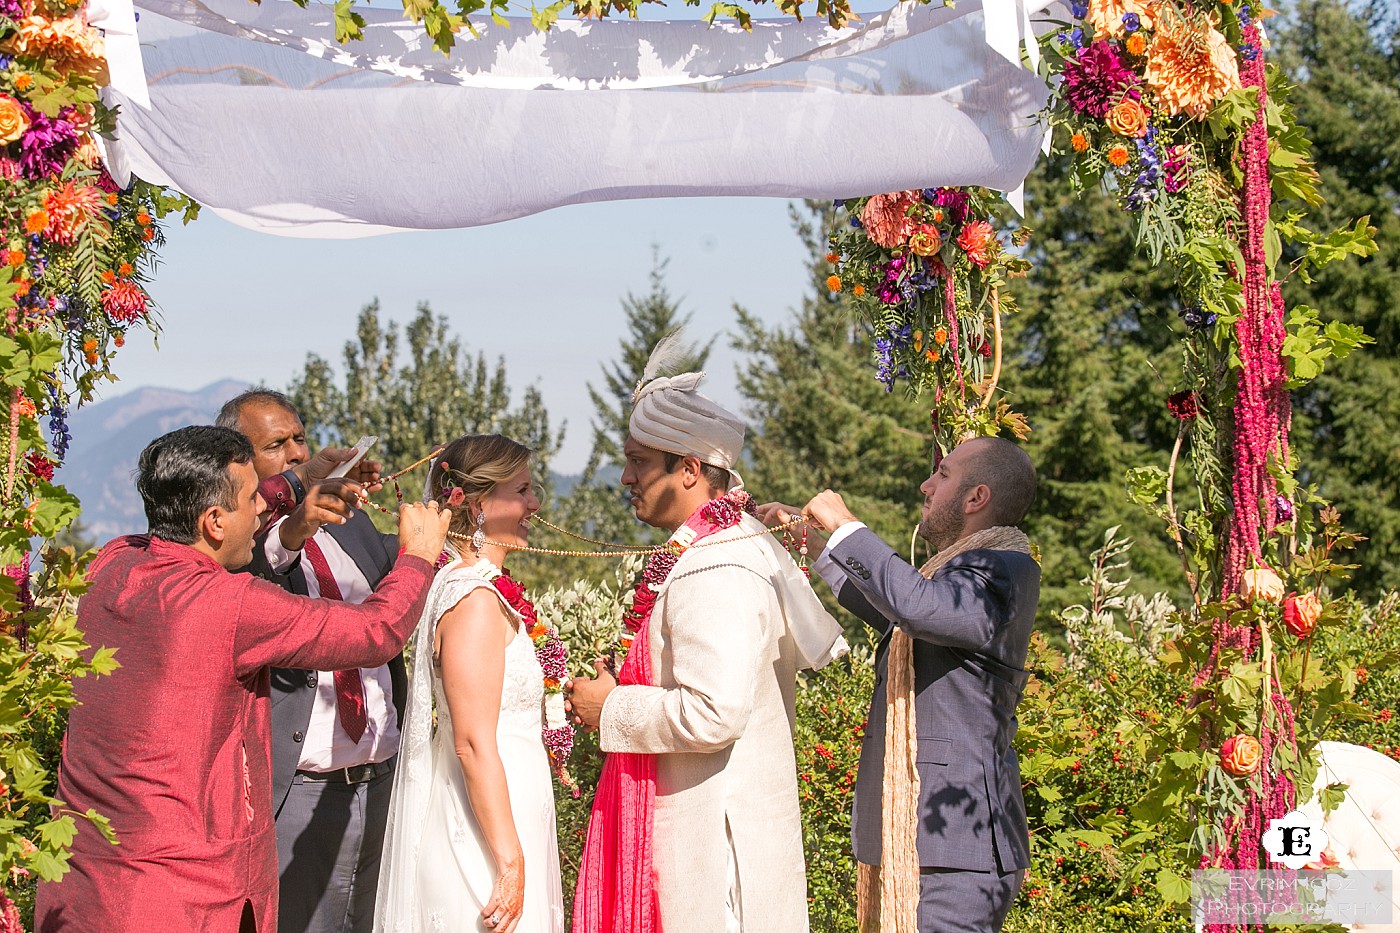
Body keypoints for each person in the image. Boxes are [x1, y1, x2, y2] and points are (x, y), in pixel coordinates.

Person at [34, 425, 450, 933]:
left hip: (85, 874)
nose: (262, 509)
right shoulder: (232, 604)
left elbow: (250, 503)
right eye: (253, 498)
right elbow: (374, 632)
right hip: (181, 891)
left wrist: (299, 480)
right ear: (212, 521)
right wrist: (417, 557)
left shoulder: (114, 559)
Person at [567, 355, 848, 933]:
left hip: (712, 843)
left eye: (638, 462)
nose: (625, 478)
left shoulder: (714, 566)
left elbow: (714, 713)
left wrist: (609, 707)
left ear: (690, 469)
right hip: (724, 826)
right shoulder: (733, 544)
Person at [759, 435, 1039, 933]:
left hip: (956, 842)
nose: (925, 485)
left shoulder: (1005, 568)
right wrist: (813, 545)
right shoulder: (953, 575)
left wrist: (848, 527)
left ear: (977, 498)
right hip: (925, 837)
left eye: (944, 474)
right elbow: (896, 613)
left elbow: (920, 608)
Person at [217, 389, 403, 933]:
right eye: (277, 445)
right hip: (299, 789)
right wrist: (297, 523)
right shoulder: (239, 549)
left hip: (383, 776)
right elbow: (261, 567)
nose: (297, 454)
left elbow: (404, 571)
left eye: (300, 438)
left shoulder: (352, 523)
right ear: (241, 464)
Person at [375, 434, 564, 933]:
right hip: (482, 830)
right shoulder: (475, 600)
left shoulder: (478, 587)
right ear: (479, 503)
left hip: (507, 808)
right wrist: (509, 861)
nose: (534, 503)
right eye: (522, 489)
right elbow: (473, 742)